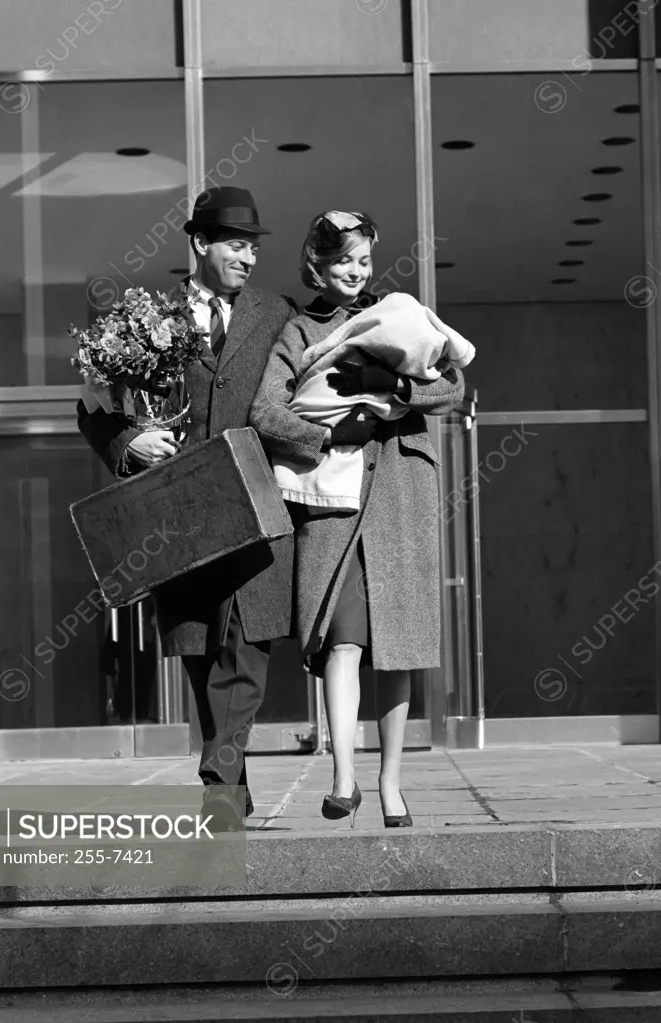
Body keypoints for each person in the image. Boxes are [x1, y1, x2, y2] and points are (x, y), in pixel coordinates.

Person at [77, 186, 296, 830]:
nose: (248, 257)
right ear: (200, 243)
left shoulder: (277, 312)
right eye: (235, 244)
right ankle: (233, 784)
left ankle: (218, 788)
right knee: (206, 655)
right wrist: (127, 440)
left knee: (247, 650)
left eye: (253, 247)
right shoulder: (145, 319)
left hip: (257, 509)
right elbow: (92, 405)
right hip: (182, 516)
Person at [250, 211, 465, 828]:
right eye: (343, 260)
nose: (355, 271)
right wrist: (327, 434)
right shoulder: (298, 331)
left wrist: (394, 388)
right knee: (339, 641)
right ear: (316, 265)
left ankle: (391, 782)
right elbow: (265, 411)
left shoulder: (400, 313)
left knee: (397, 648)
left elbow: (452, 384)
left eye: (364, 260)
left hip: (400, 492)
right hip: (333, 505)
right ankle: (344, 777)